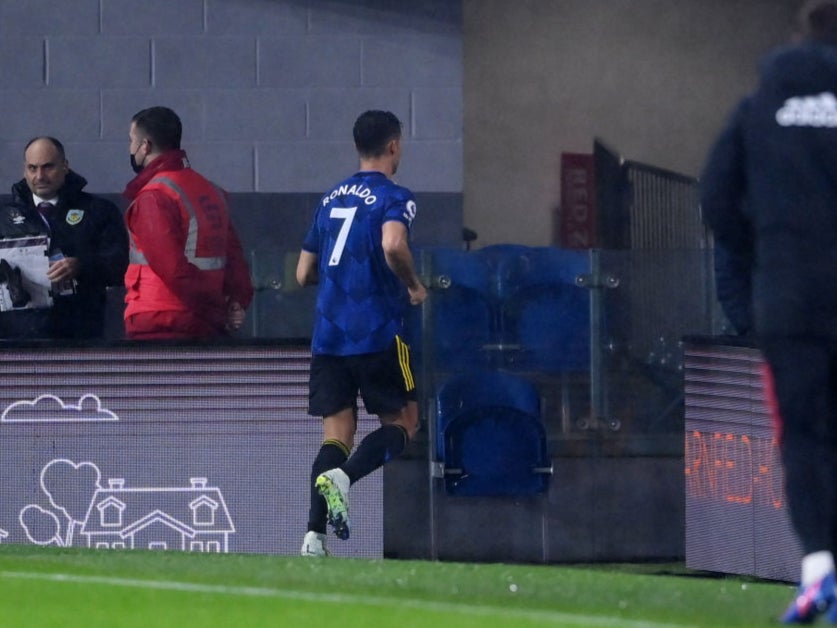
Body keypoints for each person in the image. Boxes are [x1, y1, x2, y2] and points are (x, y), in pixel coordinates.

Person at [700, 1, 837, 622]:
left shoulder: (758, 108)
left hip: (791, 296)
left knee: (804, 433)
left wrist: (767, 255)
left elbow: (716, 198)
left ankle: (819, 570)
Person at [296, 110, 427, 557]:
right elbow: (393, 244)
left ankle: (313, 538)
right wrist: (413, 285)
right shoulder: (395, 196)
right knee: (405, 422)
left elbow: (301, 272)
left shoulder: (329, 198)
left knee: (336, 433)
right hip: (377, 331)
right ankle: (345, 478)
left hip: (328, 335)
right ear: (393, 146)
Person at [123, 106, 253, 339]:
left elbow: (173, 269)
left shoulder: (154, 196)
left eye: (132, 141)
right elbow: (235, 259)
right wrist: (236, 302)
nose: (130, 149)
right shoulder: (212, 192)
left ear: (146, 146)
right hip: (206, 325)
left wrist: (217, 308)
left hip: (161, 321)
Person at [0, 137, 129, 339]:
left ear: (65, 166)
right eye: (32, 168)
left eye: (48, 167)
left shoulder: (98, 211)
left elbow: (119, 265)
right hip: (17, 337)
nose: (39, 176)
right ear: (24, 170)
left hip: (80, 333)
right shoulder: (4, 217)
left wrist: (82, 266)